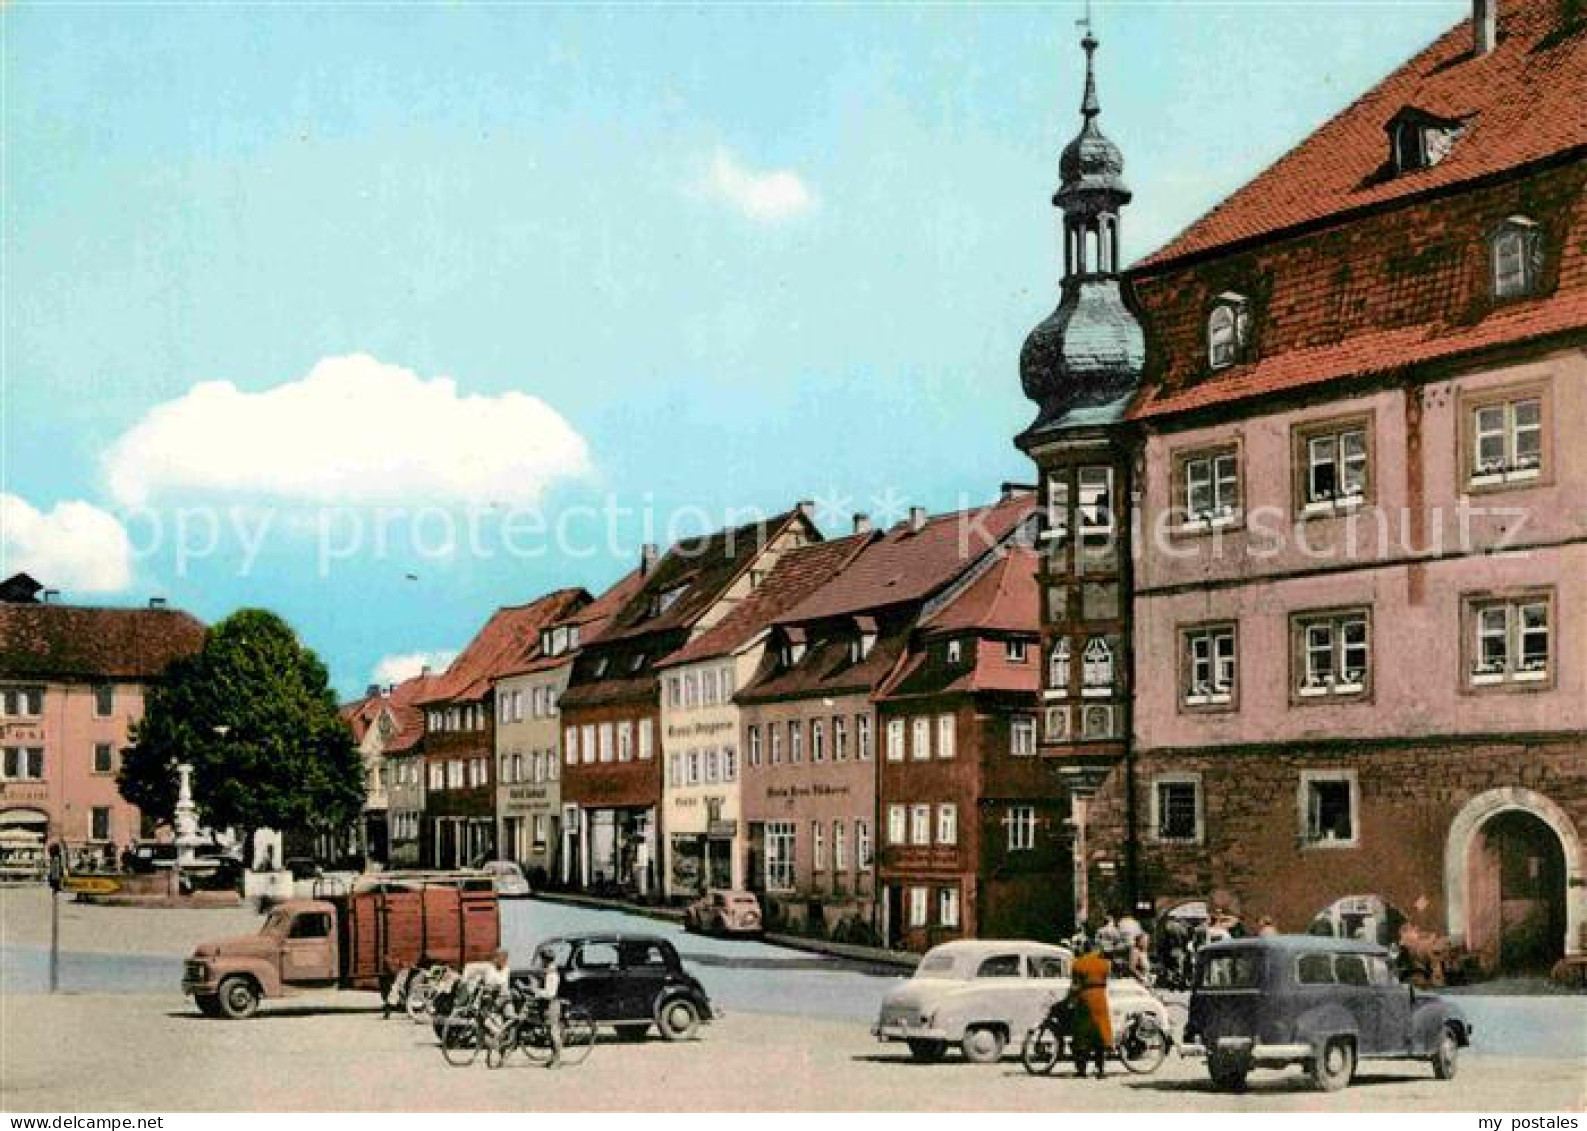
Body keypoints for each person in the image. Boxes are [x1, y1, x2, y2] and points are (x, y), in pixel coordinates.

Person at [1068, 948, 1113, 1078]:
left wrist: (1071, 998)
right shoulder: (1105, 964)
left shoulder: (1078, 963)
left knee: (1082, 1034)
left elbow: (1075, 985)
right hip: (1100, 998)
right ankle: (1100, 1070)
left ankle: (1082, 1070)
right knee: (1100, 1033)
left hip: (1085, 998)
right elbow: (1107, 978)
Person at [534, 947, 564, 1068]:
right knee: (549, 1033)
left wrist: (536, 991)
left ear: (546, 960)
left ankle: (557, 1060)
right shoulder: (547, 972)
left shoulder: (552, 974)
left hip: (551, 1004)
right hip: (546, 1004)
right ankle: (553, 1058)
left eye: (542, 960)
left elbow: (550, 993)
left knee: (553, 1032)